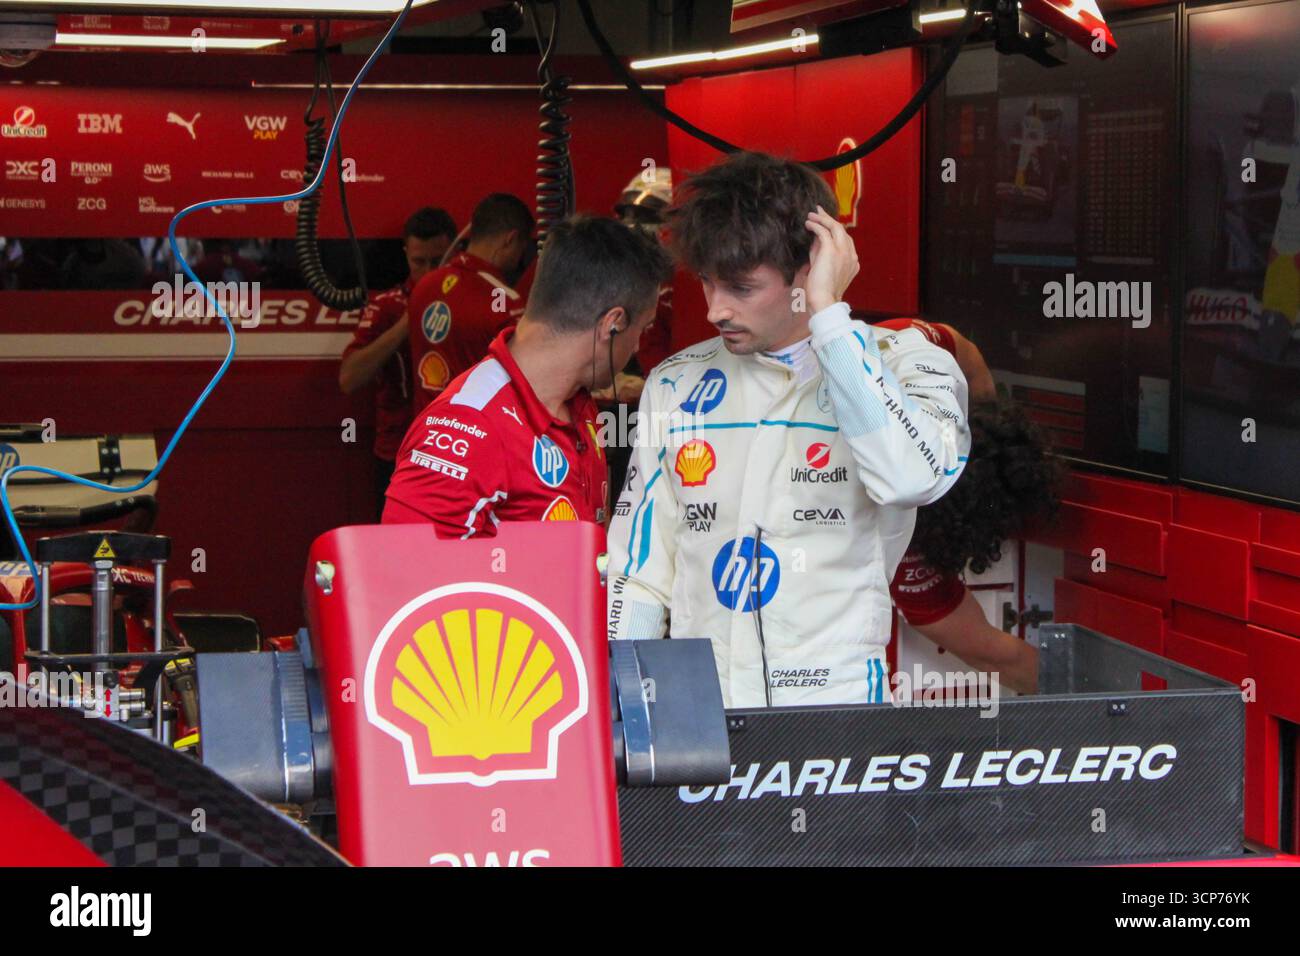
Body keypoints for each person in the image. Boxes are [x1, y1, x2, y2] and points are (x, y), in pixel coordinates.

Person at [606, 150, 971, 709]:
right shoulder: (676, 383)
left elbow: (911, 479)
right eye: (706, 282)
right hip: (699, 708)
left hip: (838, 712)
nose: (715, 310)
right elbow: (641, 570)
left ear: (811, 266)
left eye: (742, 288)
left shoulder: (904, 364)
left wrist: (829, 317)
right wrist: (621, 703)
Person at [382, 214, 672, 537]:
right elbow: (404, 575)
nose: (636, 347)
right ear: (613, 324)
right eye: (642, 329)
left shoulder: (579, 404)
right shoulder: (465, 428)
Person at [875, 317, 1056, 694]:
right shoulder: (904, 548)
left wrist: (982, 415)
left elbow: (967, 357)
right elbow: (995, 656)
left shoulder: (907, 343)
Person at [339, 207, 458, 516]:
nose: (429, 271)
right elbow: (349, 378)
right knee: (397, 552)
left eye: (438, 261)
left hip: (457, 451)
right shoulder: (388, 307)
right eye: (420, 262)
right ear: (406, 254)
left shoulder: (471, 305)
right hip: (398, 454)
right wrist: (409, 320)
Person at [403, 193, 534, 411]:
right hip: (474, 435)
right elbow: (528, 383)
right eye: (522, 248)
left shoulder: (424, 287)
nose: (520, 258)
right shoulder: (505, 300)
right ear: (510, 239)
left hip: (426, 432)